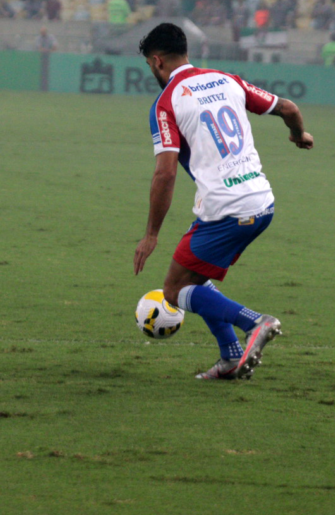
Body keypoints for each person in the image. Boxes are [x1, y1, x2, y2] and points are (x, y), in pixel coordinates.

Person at [133, 23, 314, 380]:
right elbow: (290, 109)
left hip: (225, 210)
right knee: (194, 275)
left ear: (156, 61)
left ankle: (256, 323)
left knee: (174, 289)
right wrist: (299, 135)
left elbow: (165, 173)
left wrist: (151, 234)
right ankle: (231, 356)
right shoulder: (226, 79)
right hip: (261, 202)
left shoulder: (166, 102)